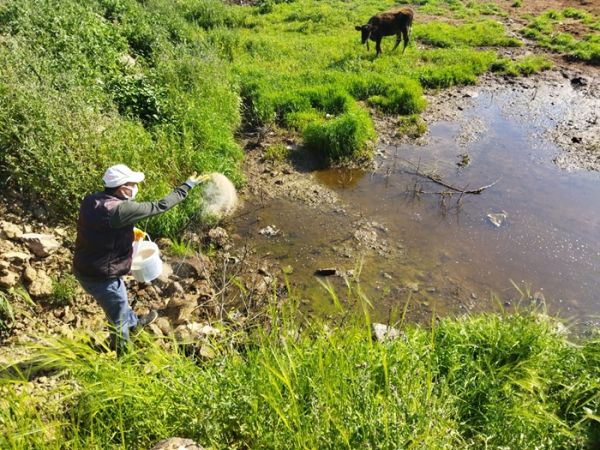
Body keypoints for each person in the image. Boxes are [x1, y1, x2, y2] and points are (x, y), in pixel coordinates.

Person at [73, 164, 206, 352]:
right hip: (101, 277)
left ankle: (134, 324)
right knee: (117, 318)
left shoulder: (91, 200)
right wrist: (187, 185)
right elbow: (161, 206)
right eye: (133, 184)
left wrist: (126, 233)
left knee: (119, 302)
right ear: (122, 188)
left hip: (84, 266)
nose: (136, 187)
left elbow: (100, 229)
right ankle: (124, 356)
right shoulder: (121, 210)